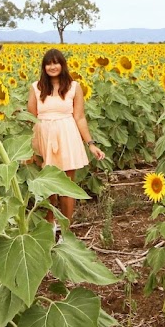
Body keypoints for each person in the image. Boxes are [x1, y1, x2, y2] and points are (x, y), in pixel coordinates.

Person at [27, 48, 105, 238]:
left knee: (67, 185)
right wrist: (28, 147)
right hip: (43, 137)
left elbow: (79, 117)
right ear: (44, 67)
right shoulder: (36, 87)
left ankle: (66, 230)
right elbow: (31, 117)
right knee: (47, 184)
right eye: (48, 63)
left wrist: (91, 143)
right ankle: (50, 222)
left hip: (67, 136)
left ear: (62, 65)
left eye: (56, 62)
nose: (52, 67)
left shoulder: (73, 87)